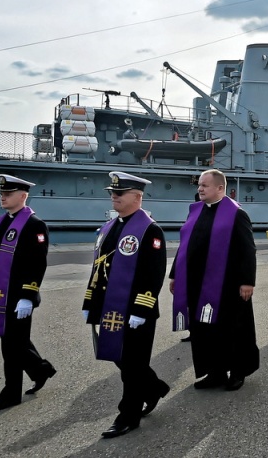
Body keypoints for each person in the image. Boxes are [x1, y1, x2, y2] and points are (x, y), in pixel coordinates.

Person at [83, 172, 169, 439]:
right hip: (110, 306)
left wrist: (142, 309)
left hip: (135, 311)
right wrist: (90, 300)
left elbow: (154, 273)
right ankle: (153, 388)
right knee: (121, 359)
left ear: (137, 196)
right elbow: (99, 266)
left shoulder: (150, 230)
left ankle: (128, 416)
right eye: (113, 192)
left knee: (132, 365)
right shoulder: (110, 227)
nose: (114, 196)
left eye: (120, 193)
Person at [170, 169, 259, 390]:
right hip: (197, 284)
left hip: (229, 286)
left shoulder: (237, 214)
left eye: (205, 185)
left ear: (220, 188)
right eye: (199, 185)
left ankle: (238, 371)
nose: (200, 189)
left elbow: (248, 250)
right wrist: (175, 275)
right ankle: (214, 372)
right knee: (203, 330)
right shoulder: (195, 211)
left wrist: (248, 281)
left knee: (233, 329)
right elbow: (185, 246)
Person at [0, 174, 55, 412]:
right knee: (14, 342)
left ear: (22, 196)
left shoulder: (34, 225)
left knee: (11, 346)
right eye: (1, 194)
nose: (2, 197)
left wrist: (28, 296)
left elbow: (37, 263)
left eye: (7, 194)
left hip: (19, 297)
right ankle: (41, 370)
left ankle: (10, 394)